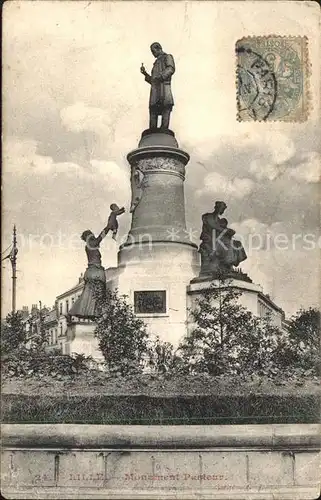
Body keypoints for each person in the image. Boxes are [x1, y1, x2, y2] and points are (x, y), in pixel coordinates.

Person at [140, 42, 175, 129]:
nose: (153, 54)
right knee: (153, 114)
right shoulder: (156, 63)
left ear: (159, 48)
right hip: (155, 94)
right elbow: (153, 81)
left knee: (165, 111)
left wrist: (160, 76)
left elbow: (171, 69)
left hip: (164, 90)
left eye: (153, 51)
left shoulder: (167, 57)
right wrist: (145, 74)